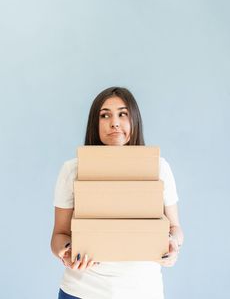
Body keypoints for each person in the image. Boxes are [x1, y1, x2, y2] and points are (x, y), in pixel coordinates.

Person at [51, 86, 184, 299]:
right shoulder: (72, 169)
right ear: (95, 123)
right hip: (81, 292)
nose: (114, 122)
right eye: (105, 115)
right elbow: (59, 235)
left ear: (134, 120)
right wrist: (67, 252)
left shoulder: (159, 168)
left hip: (143, 292)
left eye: (123, 114)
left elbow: (176, 228)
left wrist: (173, 245)